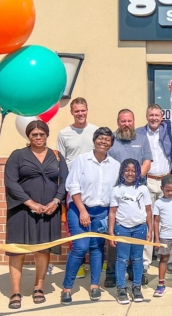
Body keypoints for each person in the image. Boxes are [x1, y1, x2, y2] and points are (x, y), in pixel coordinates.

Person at [4, 120, 68, 309]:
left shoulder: (56, 156)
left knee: (42, 249)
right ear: (28, 136)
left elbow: (65, 181)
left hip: (48, 211)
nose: (38, 137)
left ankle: (38, 287)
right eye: (34, 134)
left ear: (47, 135)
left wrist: (56, 202)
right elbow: (11, 182)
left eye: (42, 134)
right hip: (21, 210)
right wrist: (30, 202)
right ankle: (15, 291)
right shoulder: (18, 156)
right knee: (18, 251)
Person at [61, 127, 120, 305]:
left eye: (107, 140)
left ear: (111, 143)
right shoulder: (82, 160)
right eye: (100, 138)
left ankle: (94, 285)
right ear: (94, 140)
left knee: (96, 248)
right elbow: (72, 186)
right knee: (80, 247)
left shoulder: (115, 165)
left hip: (101, 211)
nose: (103, 142)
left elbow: (115, 193)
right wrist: (83, 211)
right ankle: (67, 288)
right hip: (79, 208)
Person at [136, 104, 172, 279]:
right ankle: (145, 262)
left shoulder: (169, 130)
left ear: (162, 117)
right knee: (148, 222)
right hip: (147, 180)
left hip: (166, 181)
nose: (154, 118)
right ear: (146, 116)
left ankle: (171, 259)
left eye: (157, 115)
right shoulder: (138, 133)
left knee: (170, 221)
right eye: (151, 115)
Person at [104, 109, 153, 288]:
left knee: (136, 232)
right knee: (116, 234)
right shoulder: (111, 139)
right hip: (117, 193)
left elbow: (147, 161)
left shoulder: (141, 138)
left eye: (129, 121)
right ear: (118, 121)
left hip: (137, 191)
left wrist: (137, 178)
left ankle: (134, 272)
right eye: (123, 121)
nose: (126, 124)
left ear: (134, 121)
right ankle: (111, 273)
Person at [56, 97, 99, 280]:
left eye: (83, 110)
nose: (80, 113)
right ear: (72, 112)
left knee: (97, 223)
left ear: (87, 110)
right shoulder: (64, 133)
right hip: (73, 187)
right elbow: (62, 162)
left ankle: (97, 260)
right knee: (75, 224)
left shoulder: (96, 131)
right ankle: (79, 263)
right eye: (77, 111)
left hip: (94, 185)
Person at [108, 158, 152, 305]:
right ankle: (121, 288)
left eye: (133, 171)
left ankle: (137, 287)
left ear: (138, 172)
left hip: (140, 228)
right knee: (121, 259)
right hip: (122, 228)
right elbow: (112, 213)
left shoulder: (143, 189)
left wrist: (150, 229)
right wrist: (111, 233)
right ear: (122, 172)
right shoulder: (117, 190)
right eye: (127, 170)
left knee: (138, 259)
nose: (130, 173)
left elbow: (148, 210)